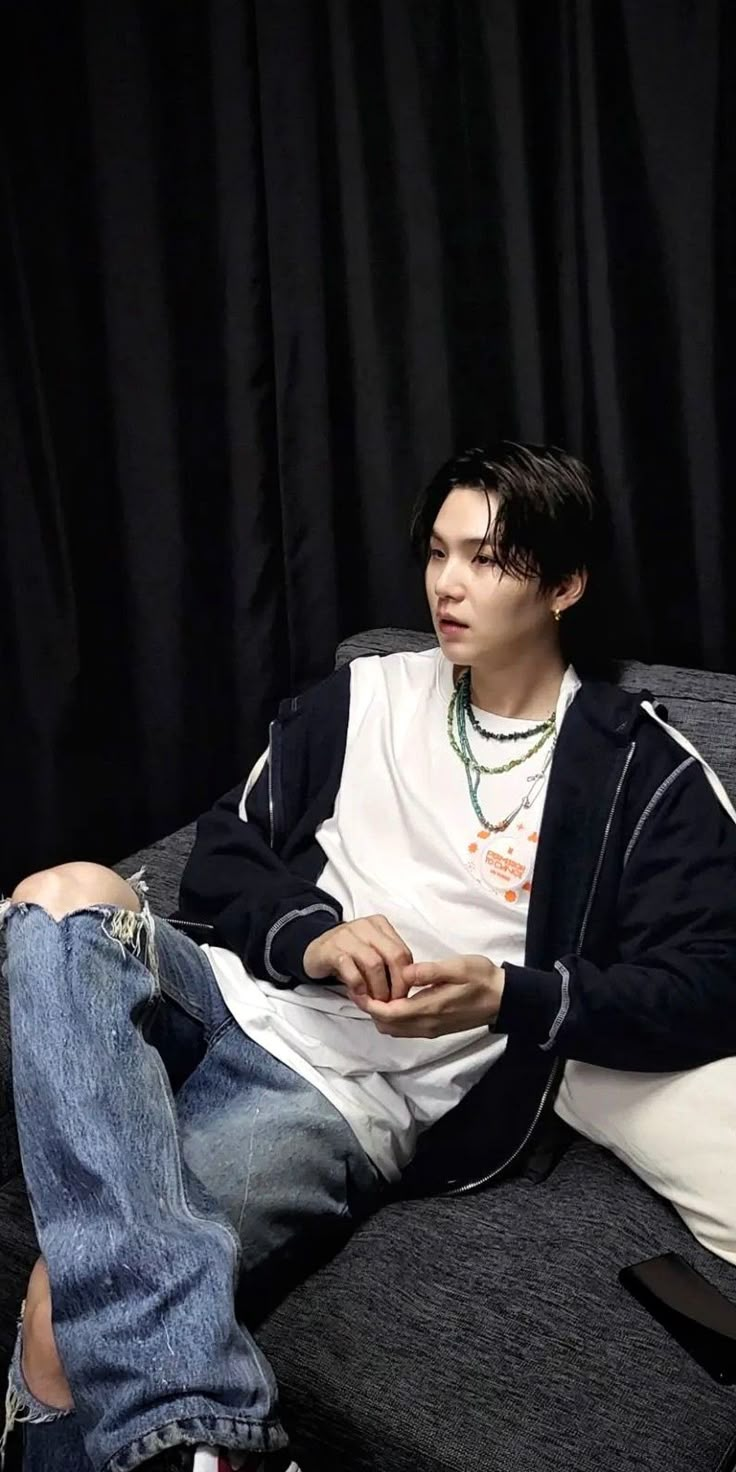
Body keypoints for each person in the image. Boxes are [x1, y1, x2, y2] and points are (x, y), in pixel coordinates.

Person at [3, 442, 736, 1472]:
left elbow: (711, 980)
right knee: (60, 892)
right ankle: (202, 1425)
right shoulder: (362, 697)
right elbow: (222, 859)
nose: (447, 582)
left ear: (563, 584)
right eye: (437, 552)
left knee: (59, 1305)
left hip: (346, 1094)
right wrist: (312, 932)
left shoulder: (638, 769)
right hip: (229, 994)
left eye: (487, 558)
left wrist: (508, 995)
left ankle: (185, 1435)